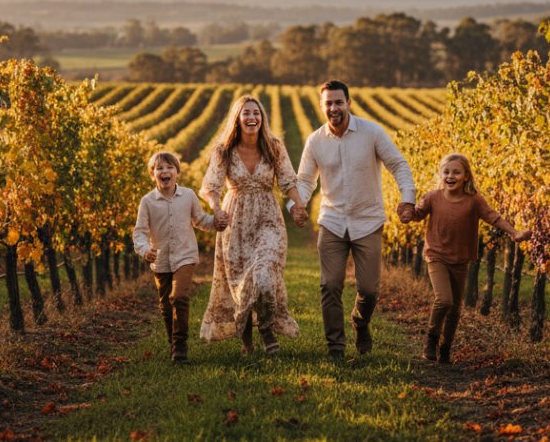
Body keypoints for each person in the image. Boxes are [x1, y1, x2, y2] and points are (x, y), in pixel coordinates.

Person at [295, 80, 416, 359]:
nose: (334, 108)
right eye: (329, 103)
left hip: (368, 220)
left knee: (369, 289)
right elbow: (304, 180)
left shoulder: (371, 132)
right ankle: (336, 347)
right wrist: (298, 204)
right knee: (330, 285)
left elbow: (397, 163)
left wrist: (407, 197)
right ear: (322, 106)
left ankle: (360, 322)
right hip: (332, 220)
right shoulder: (315, 141)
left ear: (348, 103)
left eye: (339, 102)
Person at [199, 95, 305, 354]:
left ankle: (267, 329)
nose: (252, 118)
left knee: (266, 275)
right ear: (237, 118)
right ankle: (246, 336)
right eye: (246, 113)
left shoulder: (274, 146)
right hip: (235, 221)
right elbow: (210, 187)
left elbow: (288, 182)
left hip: (268, 219)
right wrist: (217, 211)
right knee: (242, 283)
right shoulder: (223, 150)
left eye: (256, 113)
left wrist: (299, 207)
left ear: (262, 118)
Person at [401, 153, 530, 363]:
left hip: (461, 260)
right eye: (446, 172)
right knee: (444, 300)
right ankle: (431, 340)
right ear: (441, 175)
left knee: (455, 308)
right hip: (436, 256)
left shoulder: (474, 200)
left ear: (466, 177)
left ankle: (445, 348)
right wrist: (407, 213)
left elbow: (492, 217)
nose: (450, 176)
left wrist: (513, 232)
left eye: (456, 172)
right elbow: (417, 213)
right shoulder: (433, 197)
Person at [133, 151, 229, 363]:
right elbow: (139, 231)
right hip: (161, 260)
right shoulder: (147, 201)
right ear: (152, 175)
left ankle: (180, 346)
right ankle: (173, 343)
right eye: (159, 168)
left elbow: (199, 219)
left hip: (185, 256)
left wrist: (215, 222)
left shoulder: (188, 196)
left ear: (177, 172)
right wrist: (144, 249)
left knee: (179, 297)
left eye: (169, 167)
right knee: (166, 305)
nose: (164, 171)